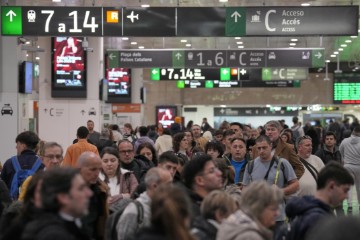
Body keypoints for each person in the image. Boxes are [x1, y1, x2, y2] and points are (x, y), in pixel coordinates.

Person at [243, 135, 299, 235]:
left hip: (278, 216)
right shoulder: (250, 165)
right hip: (257, 216)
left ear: (271, 146)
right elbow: (245, 189)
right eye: (259, 148)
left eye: (264, 147)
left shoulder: (282, 163)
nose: (261, 151)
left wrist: (280, 191)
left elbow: (295, 184)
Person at [283, 162, 354, 240]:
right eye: (345, 190)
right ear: (331, 186)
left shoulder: (303, 210)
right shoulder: (318, 220)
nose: (346, 197)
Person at [21, 168, 93, 240]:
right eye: (81, 188)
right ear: (63, 197)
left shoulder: (73, 224)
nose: (89, 193)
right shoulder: (53, 235)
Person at [116, 167, 172, 240]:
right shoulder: (134, 211)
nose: (172, 188)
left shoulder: (168, 207)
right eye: (168, 184)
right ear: (155, 186)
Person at [217, 180, 283, 240]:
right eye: (274, 209)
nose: (277, 213)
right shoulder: (250, 236)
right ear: (259, 208)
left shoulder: (235, 221)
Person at [1, 131, 44, 198]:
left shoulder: (9, 163)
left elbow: (2, 188)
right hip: (35, 205)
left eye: (17, 144)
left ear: (23, 146)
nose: (16, 147)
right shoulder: (42, 164)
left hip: (13, 206)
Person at [182, 154, 223, 222]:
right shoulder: (193, 214)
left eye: (216, 169)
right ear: (200, 180)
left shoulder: (213, 204)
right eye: (211, 171)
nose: (220, 173)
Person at [77, 152, 109, 240]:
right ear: (80, 169)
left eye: (99, 169)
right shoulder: (66, 192)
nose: (97, 173)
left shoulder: (101, 192)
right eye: (93, 169)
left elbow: (101, 225)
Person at [339, 126, 360, 214]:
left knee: (349, 187)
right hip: (359, 166)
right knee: (359, 187)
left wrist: (344, 159)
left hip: (347, 166)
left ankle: (350, 205)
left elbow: (340, 151)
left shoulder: (345, 141)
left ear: (353, 131)